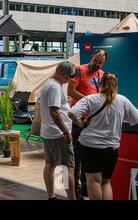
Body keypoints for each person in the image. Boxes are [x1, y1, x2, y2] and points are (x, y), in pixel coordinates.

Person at [68, 73, 138, 200]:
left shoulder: (90, 99)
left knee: (93, 181)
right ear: (115, 86)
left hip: (89, 146)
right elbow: (136, 118)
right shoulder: (122, 100)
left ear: (100, 84)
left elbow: (72, 112)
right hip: (111, 149)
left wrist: (81, 123)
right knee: (105, 182)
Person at [68, 49, 107, 199]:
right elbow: (71, 91)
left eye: (100, 62)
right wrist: (89, 101)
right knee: (77, 154)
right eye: (95, 61)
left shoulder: (102, 75)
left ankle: (85, 186)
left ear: (104, 63)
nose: (96, 64)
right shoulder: (79, 70)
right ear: (91, 57)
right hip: (79, 120)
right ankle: (75, 188)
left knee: (89, 155)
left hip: (93, 120)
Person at [40, 61, 77, 200]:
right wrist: (66, 132)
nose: (71, 80)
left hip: (49, 132)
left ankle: (51, 196)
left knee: (50, 165)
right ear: (62, 75)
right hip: (58, 134)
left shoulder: (49, 83)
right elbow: (54, 112)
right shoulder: (54, 87)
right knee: (68, 169)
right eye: (69, 77)